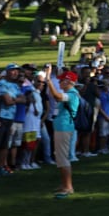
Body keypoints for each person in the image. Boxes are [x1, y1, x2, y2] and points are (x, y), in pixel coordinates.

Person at [45, 70, 79, 198]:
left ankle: (68, 187)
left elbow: (58, 97)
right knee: (60, 156)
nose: (59, 82)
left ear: (68, 81)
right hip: (62, 127)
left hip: (64, 128)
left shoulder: (72, 94)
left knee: (63, 157)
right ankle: (65, 184)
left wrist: (48, 80)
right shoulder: (70, 93)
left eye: (61, 80)